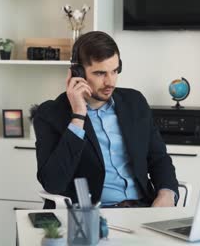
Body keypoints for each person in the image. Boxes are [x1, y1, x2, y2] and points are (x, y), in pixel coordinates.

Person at [34, 31, 179, 209]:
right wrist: (78, 115)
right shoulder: (51, 114)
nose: (110, 82)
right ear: (77, 73)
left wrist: (166, 193)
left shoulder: (135, 102)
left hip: (142, 209)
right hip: (92, 215)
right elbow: (52, 182)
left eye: (115, 71)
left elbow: (159, 158)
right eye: (100, 73)